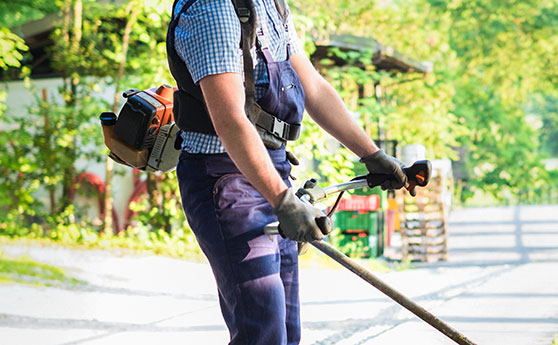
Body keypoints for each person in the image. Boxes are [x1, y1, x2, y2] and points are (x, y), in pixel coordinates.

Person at [166, 0, 408, 343]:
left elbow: (314, 87)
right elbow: (231, 120)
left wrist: (371, 154)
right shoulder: (214, 8)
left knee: (286, 330)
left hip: (272, 172)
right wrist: (283, 200)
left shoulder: (269, 4)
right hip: (226, 181)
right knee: (262, 331)